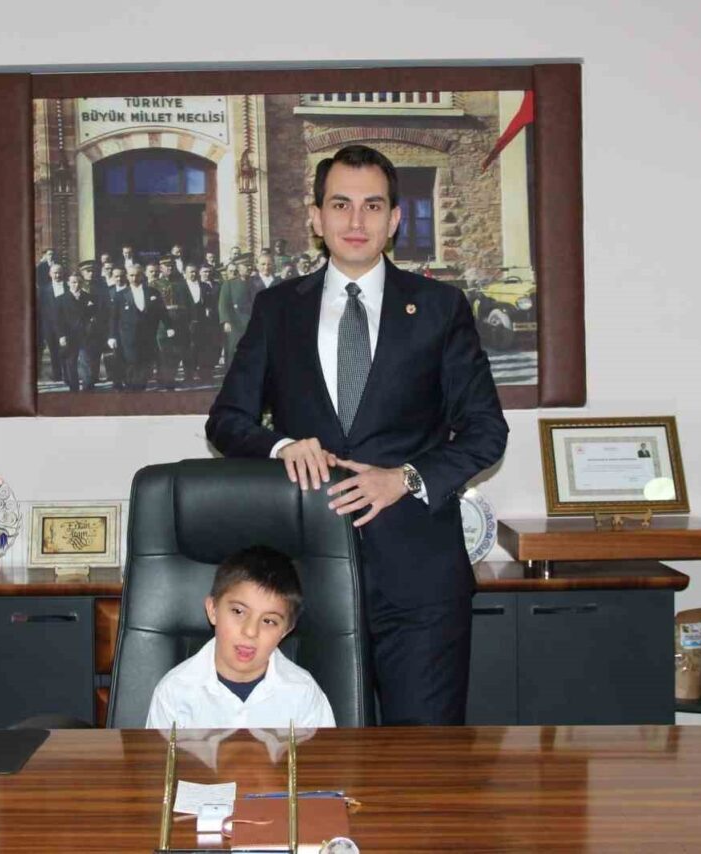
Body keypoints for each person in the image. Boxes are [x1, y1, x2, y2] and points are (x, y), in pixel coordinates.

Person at [206, 144, 508, 726]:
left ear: (394, 219)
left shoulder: (440, 307)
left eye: (372, 206)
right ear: (316, 217)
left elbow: (485, 430)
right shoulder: (277, 309)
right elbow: (226, 420)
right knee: (308, 757)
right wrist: (280, 446)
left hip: (419, 583)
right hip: (304, 582)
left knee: (423, 762)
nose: (355, 220)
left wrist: (405, 478)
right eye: (340, 204)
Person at [145, 545, 336, 729]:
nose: (250, 631)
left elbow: (327, 752)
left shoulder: (304, 694)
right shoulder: (174, 692)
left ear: (285, 631)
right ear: (213, 610)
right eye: (238, 611)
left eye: (268, 621)